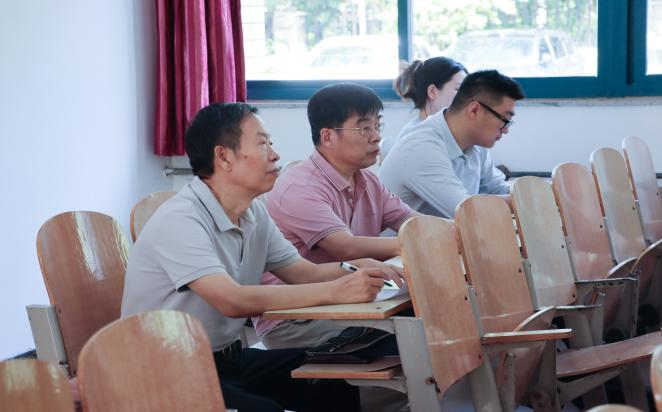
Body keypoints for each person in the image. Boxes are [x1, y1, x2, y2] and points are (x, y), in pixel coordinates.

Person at [121, 102, 402, 412]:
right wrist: (336, 291)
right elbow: (231, 300)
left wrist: (356, 268)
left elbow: (302, 272)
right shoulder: (181, 219)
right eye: (262, 144)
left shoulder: (253, 211)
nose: (275, 155)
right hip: (164, 370)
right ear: (224, 157)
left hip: (226, 359)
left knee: (333, 378)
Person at [253, 83, 418, 349]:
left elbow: (414, 223)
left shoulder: (368, 181)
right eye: (365, 128)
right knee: (417, 337)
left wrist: (454, 230)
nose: (376, 137)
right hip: (295, 319)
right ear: (328, 136)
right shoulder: (300, 186)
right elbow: (346, 247)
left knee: (438, 311)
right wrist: (422, 241)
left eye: (378, 126)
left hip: (350, 301)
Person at [379, 69, 525, 218]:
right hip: (412, 234)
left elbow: (498, 188)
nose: (506, 130)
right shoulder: (422, 147)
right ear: (474, 110)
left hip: (446, 231)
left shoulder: (475, 144)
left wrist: (534, 191)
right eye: (505, 120)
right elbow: (466, 210)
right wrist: (528, 199)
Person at [381, 56, 467, 158]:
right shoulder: (417, 138)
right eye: (458, 89)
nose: (469, 97)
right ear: (432, 92)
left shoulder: (446, 131)